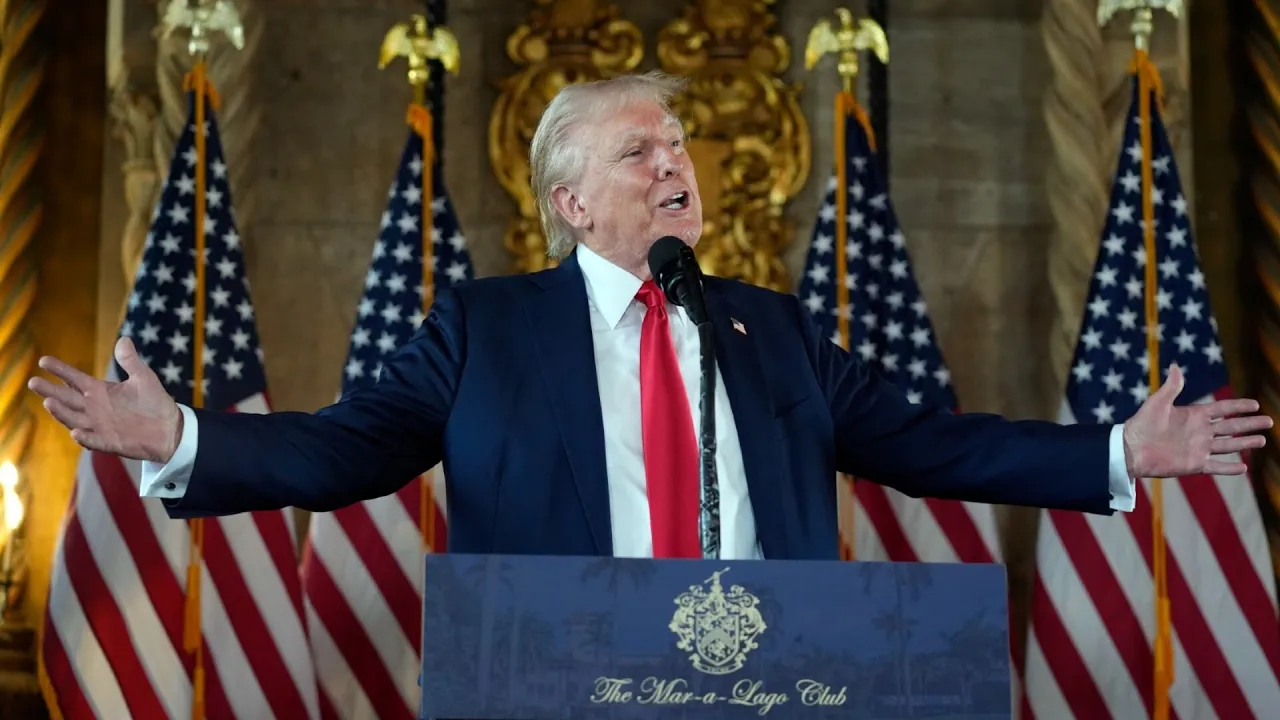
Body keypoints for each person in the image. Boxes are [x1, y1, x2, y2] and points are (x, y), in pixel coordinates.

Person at [29, 71, 1271, 561]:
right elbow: (343, 448)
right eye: (641, 151)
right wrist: (182, 437)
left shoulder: (774, 333)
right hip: (557, 681)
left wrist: (1116, 451)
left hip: (769, 683)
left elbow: (934, 445)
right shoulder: (485, 330)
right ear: (569, 202)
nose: (675, 163)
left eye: (679, 146)